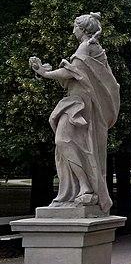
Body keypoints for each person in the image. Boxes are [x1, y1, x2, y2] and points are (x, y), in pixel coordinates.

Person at [29, 12, 120, 213]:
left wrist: (44, 73)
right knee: (70, 143)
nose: (73, 30)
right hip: (76, 102)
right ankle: (81, 188)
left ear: (83, 29)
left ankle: (85, 186)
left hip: (79, 105)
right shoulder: (92, 48)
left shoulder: (86, 48)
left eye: (75, 27)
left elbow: (71, 72)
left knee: (64, 140)